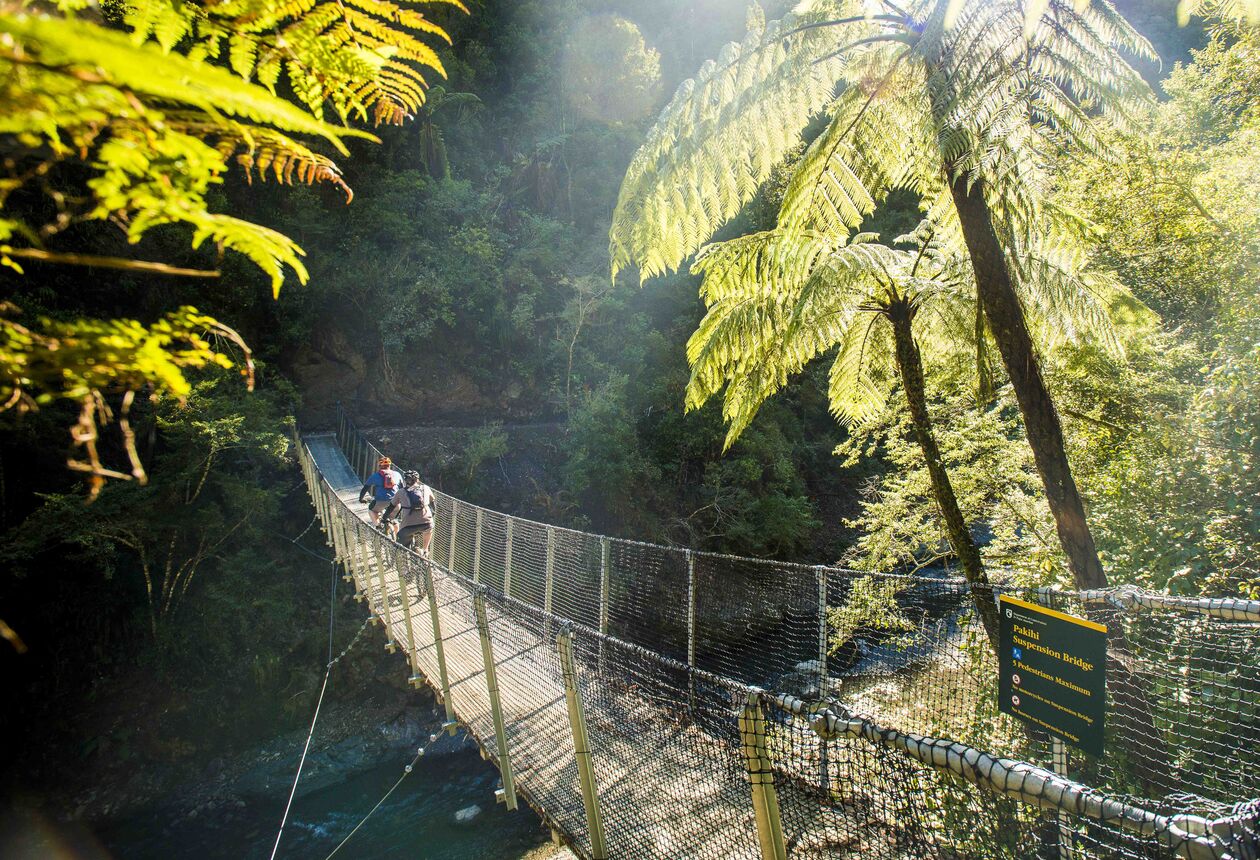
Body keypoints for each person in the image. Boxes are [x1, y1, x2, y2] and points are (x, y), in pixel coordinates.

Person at [387, 470, 435, 555]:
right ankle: (425, 551)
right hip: (427, 523)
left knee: (401, 548)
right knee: (429, 529)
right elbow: (432, 503)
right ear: (417, 480)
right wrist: (432, 515)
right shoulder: (426, 488)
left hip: (407, 526)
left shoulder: (401, 491)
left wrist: (384, 518)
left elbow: (391, 506)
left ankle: (404, 560)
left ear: (405, 481)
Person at [358, 456, 404, 526]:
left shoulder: (375, 475)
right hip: (395, 502)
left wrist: (361, 499)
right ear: (389, 465)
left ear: (379, 466)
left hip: (380, 501)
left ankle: (378, 526)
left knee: (372, 510)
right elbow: (402, 489)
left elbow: (365, 488)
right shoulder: (397, 474)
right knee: (393, 521)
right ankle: (395, 534)